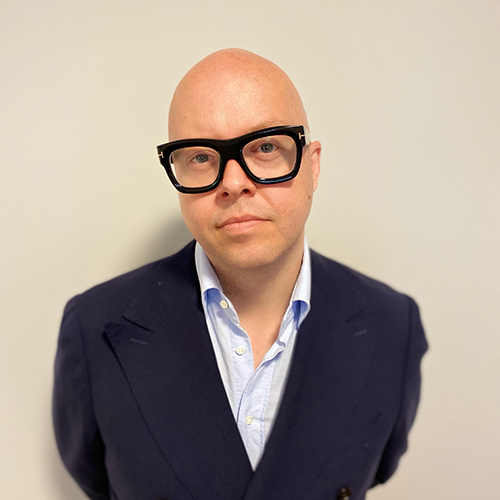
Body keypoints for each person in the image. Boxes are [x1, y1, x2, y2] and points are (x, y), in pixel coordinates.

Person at [53, 49, 428, 500]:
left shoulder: (393, 326)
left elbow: (374, 466)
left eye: (266, 147)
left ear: (312, 166)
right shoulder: (93, 327)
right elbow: (95, 476)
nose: (233, 182)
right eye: (200, 156)